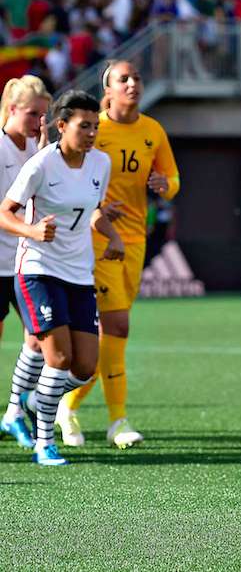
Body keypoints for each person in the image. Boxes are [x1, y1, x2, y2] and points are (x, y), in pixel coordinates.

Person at [57, 60, 180, 449]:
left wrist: (165, 184)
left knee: (112, 335)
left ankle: (67, 404)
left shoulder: (152, 130)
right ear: (106, 90)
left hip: (135, 240)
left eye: (137, 78)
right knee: (116, 328)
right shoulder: (95, 131)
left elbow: (174, 180)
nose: (133, 84)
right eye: (123, 79)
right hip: (97, 240)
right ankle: (117, 420)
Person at [0, 90, 125, 466]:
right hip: (38, 270)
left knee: (85, 366)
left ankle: (40, 399)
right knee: (57, 356)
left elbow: (92, 212)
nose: (91, 133)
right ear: (62, 126)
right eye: (84, 126)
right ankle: (44, 444)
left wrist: (112, 234)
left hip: (79, 274)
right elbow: (5, 213)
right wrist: (31, 231)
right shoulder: (40, 165)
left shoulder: (100, 164)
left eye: (95, 126)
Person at [0, 75, 51, 449]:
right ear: (12, 109)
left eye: (43, 115)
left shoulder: (40, 146)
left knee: (40, 338)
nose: (38, 122)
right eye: (33, 114)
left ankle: (16, 409)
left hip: (26, 261)